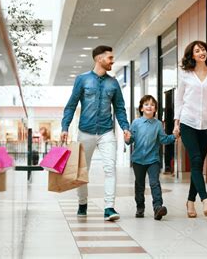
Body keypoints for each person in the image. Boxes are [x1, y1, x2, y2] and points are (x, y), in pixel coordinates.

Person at [61, 45, 130, 221]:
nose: (112, 61)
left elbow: (120, 108)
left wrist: (125, 128)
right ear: (99, 59)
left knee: (110, 169)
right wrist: (64, 127)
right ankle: (82, 203)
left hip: (107, 132)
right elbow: (71, 105)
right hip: (85, 131)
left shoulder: (113, 83)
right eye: (110, 58)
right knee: (82, 171)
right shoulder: (82, 80)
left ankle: (109, 208)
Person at [173, 40, 207, 219]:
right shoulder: (185, 74)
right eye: (197, 51)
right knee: (196, 159)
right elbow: (179, 99)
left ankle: (190, 202)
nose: (201, 52)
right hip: (188, 122)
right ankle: (205, 200)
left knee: (198, 164)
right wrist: (176, 122)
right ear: (192, 55)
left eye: (203, 49)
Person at [124, 95, 176, 220]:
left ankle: (158, 207)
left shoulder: (158, 124)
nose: (149, 106)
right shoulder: (136, 123)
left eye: (152, 105)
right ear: (141, 108)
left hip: (153, 160)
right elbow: (130, 140)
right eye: (146, 104)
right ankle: (140, 208)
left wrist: (174, 136)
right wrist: (127, 139)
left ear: (155, 109)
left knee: (154, 183)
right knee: (139, 185)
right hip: (138, 160)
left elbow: (163, 139)